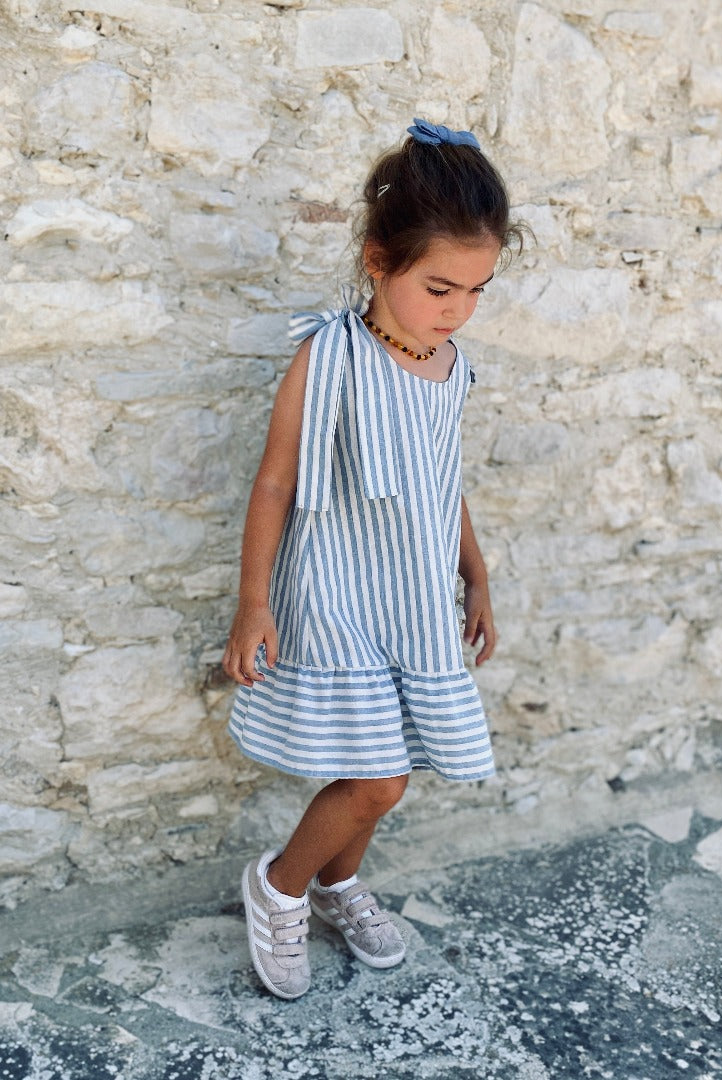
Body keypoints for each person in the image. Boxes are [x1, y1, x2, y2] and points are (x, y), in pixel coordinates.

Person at [222, 118, 526, 1000]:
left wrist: (476, 574)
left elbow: (444, 483)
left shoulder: (450, 366)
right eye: (439, 286)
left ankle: (336, 885)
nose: (457, 309)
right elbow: (275, 483)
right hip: (339, 589)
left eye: (477, 290)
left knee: (384, 765)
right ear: (377, 260)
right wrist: (253, 603)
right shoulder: (333, 355)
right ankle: (280, 884)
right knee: (380, 775)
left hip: (415, 596)